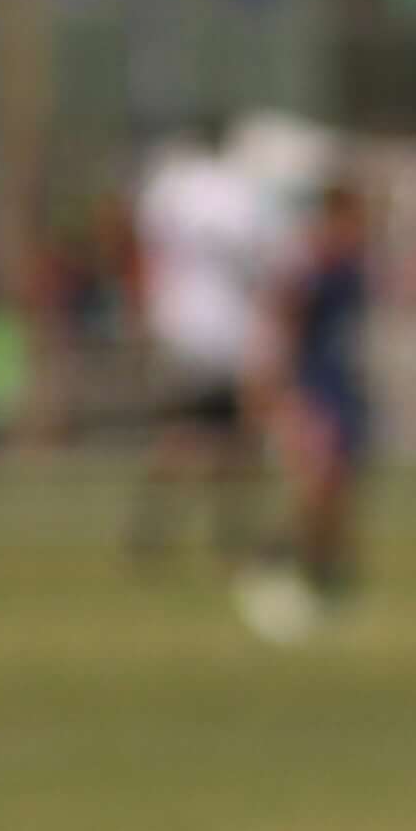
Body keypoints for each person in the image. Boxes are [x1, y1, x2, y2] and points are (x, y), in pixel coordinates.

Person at [127, 129, 288, 575]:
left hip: (181, 327)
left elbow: (143, 253)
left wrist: (146, 312)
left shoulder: (173, 186)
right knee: (227, 437)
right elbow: (271, 267)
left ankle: (159, 534)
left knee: (189, 434)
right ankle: (224, 535)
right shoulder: (245, 190)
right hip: (226, 333)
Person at [250, 173, 376, 635]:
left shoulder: (355, 260)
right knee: (316, 481)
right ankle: (276, 561)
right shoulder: (313, 261)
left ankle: (327, 576)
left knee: (339, 488)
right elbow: (283, 317)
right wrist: (274, 382)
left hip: (342, 383)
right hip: (312, 384)